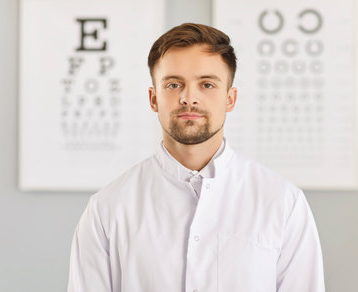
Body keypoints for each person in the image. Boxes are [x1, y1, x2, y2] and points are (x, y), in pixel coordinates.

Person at [68, 23, 325, 292]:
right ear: (153, 98)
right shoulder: (108, 209)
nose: (189, 98)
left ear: (230, 98)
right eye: (174, 84)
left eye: (207, 84)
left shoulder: (283, 203)